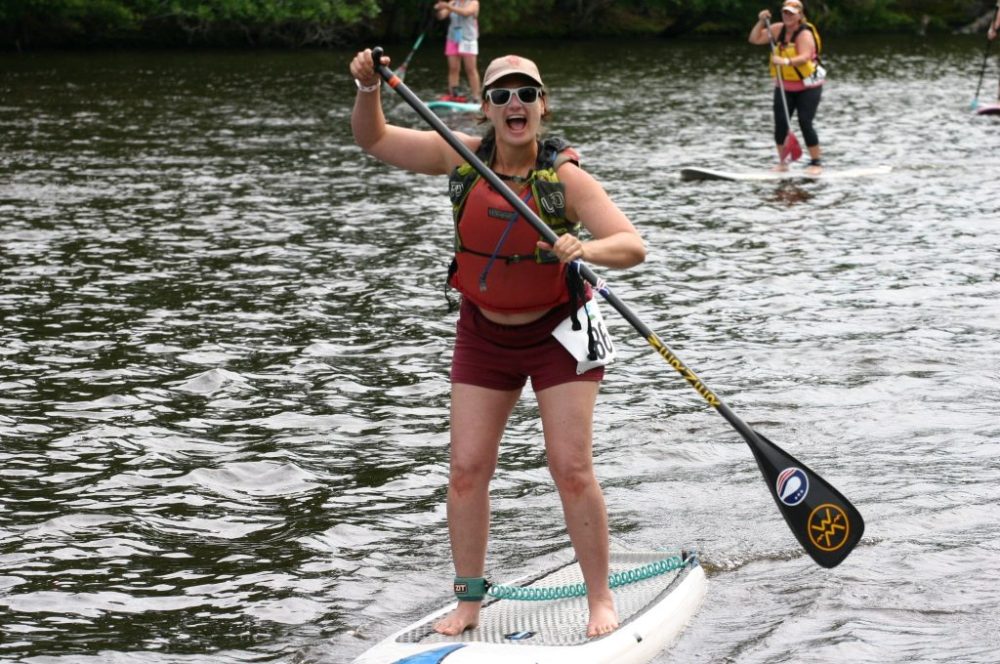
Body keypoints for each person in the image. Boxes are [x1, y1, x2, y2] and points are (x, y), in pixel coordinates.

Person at [349, 49, 646, 638]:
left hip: (559, 335)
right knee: (466, 469)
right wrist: (366, 89)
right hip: (483, 334)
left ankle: (599, 599)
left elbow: (631, 245)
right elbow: (375, 140)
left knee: (571, 468)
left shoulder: (565, 178)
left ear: (543, 105)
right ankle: (467, 601)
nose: (516, 104)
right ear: (486, 109)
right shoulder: (459, 157)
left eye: (527, 94)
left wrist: (584, 249)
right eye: (503, 95)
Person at [749, 0, 825, 174]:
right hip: (784, 86)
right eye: (785, 12)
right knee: (781, 124)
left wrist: (785, 61)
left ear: (799, 15)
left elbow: (805, 57)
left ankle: (816, 163)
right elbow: (754, 39)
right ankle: (783, 163)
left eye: (791, 13)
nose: (787, 16)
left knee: (805, 122)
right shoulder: (777, 29)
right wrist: (761, 21)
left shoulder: (804, 34)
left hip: (809, 86)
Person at [435, 0, 481, 101]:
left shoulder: (474, 3)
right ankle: (453, 94)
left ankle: (476, 97)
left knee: (470, 69)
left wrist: (448, 6)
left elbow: (466, 12)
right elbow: (442, 16)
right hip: (454, 38)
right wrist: (439, 10)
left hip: (468, 39)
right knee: (453, 68)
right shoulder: (453, 2)